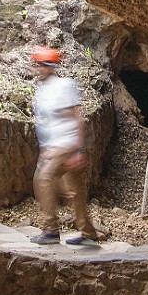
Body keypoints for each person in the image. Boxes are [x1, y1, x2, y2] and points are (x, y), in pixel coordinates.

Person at [29, 47, 99, 246]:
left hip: (66, 144)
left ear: (51, 67)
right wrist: (45, 148)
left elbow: (76, 118)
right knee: (73, 191)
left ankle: (51, 230)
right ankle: (89, 234)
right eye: (37, 65)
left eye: (43, 65)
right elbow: (47, 122)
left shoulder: (63, 86)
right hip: (54, 145)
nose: (39, 69)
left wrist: (78, 149)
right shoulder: (42, 89)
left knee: (42, 178)